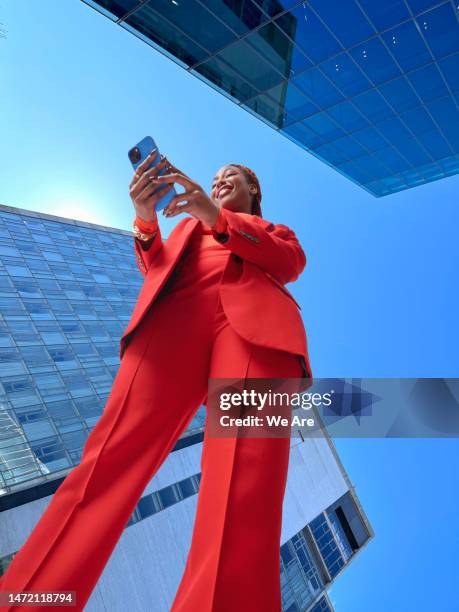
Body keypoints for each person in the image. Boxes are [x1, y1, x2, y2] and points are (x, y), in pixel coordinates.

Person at [0, 151, 313, 612]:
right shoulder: (186, 226)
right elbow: (155, 267)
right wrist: (145, 219)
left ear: (253, 192)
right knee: (106, 465)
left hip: (256, 334)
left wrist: (214, 214)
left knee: (245, 486)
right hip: (173, 322)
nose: (221, 181)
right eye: (215, 177)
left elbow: (288, 263)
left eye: (232, 178)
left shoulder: (272, 231)